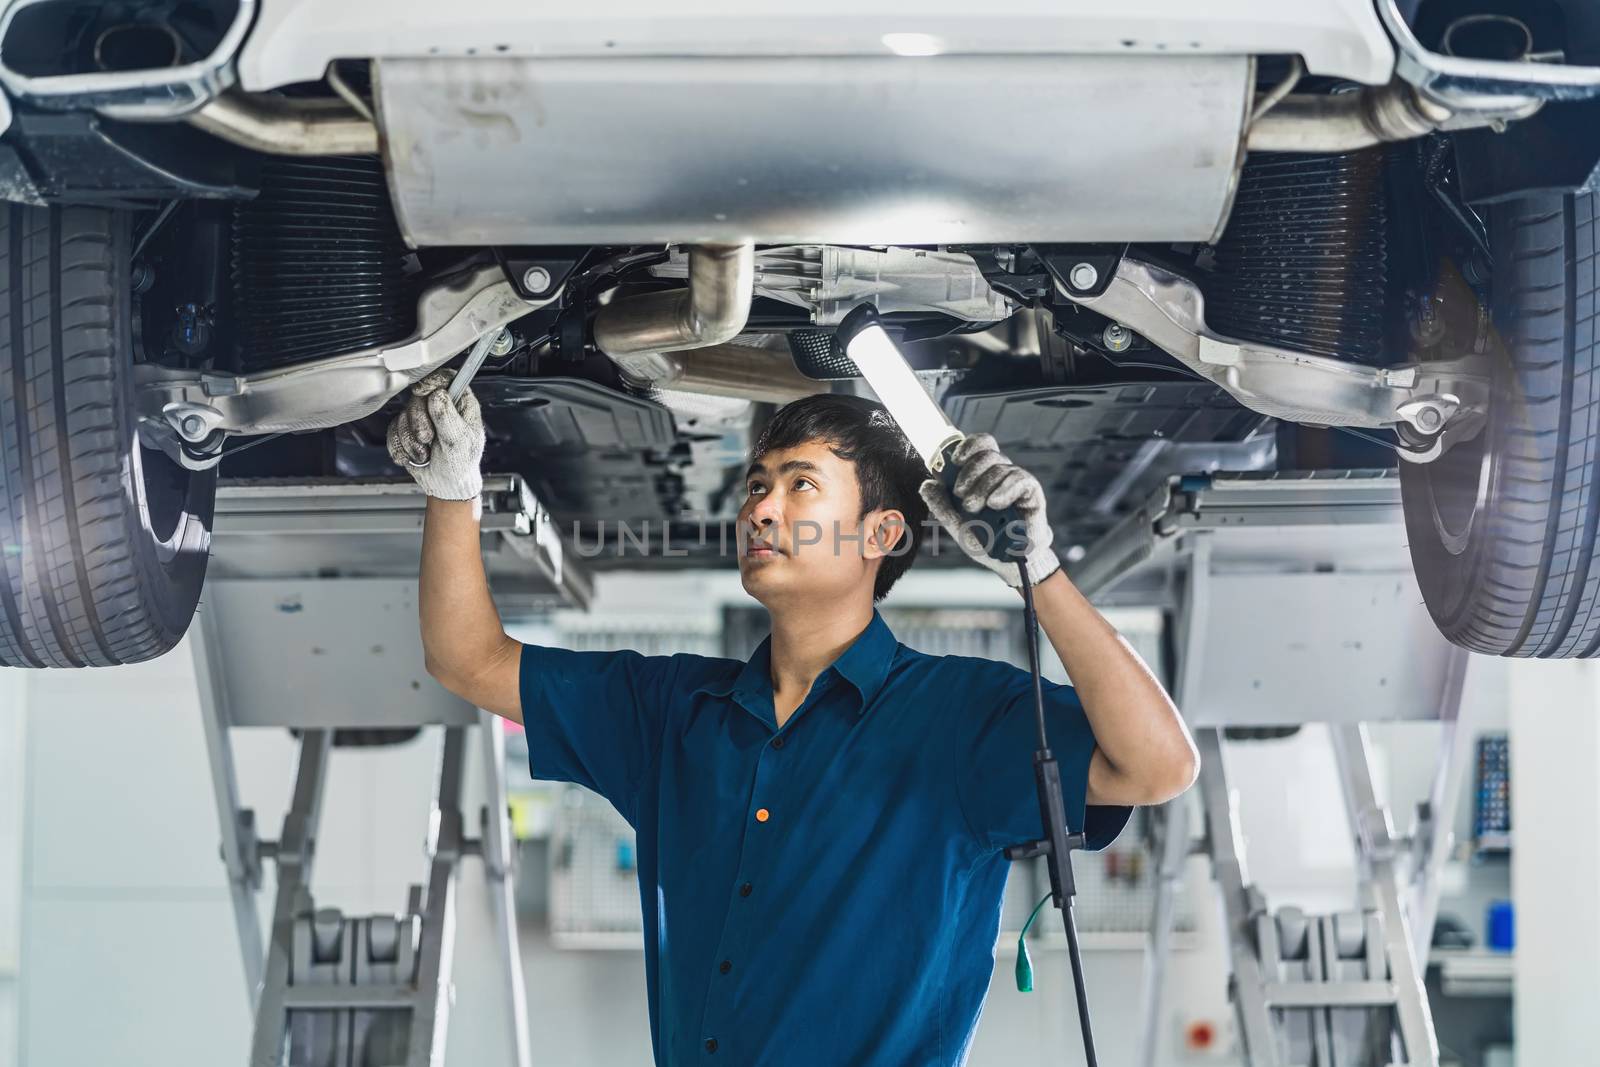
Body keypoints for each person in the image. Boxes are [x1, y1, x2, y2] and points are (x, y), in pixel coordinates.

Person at [388, 373, 1198, 1066]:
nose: (761, 508)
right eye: (756, 484)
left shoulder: (959, 718)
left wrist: (1038, 569)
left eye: (800, 484)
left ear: (881, 532)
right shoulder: (671, 712)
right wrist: (452, 489)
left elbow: (1159, 764)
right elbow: (470, 661)